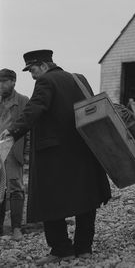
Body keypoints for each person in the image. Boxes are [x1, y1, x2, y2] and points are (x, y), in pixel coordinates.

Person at [0, 50, 111, 266]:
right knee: (85, 196)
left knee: (49, 201)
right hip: (84, 146)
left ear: (42, 65)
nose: (32, 75)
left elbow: (35, 109)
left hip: (53, 152)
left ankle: (61, 250)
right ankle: (84, 248)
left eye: (32, 70)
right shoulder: (79, 79)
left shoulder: (45, 81)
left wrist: (13, 131)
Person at [0, 68, 29, 240]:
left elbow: (30, 127)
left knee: (16, 187)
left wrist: (26, 153)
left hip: (13, 151)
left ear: (13, 82)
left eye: (4, 81)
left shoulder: (23, 101)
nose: (1, 85)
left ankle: (17, 228)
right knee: (0, 189)